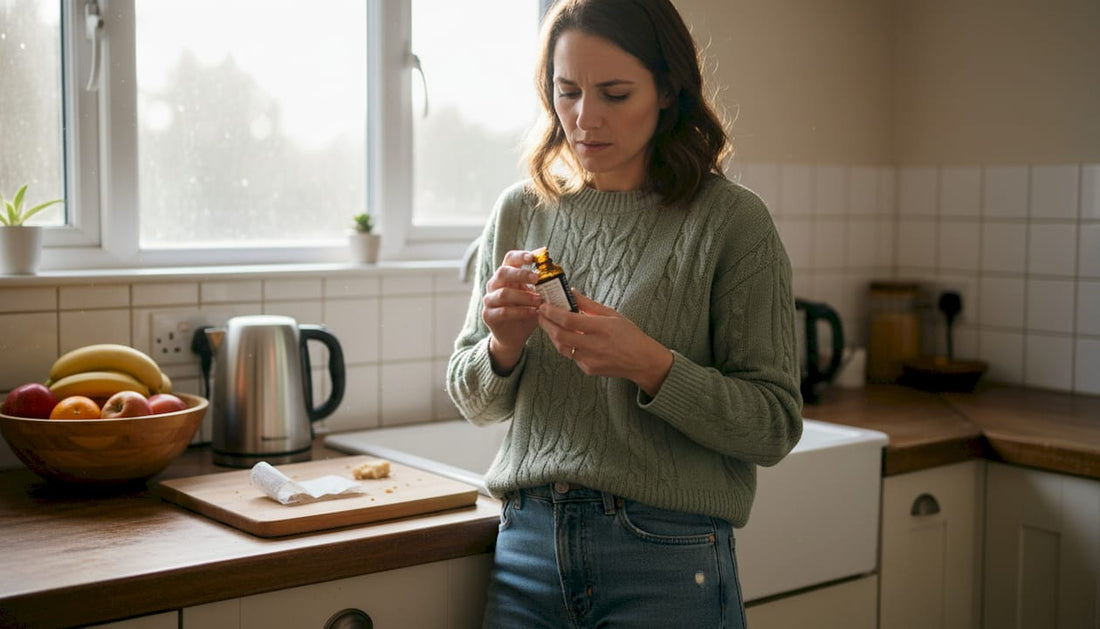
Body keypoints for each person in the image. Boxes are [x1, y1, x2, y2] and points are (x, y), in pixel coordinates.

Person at [446, 0, 803, 626]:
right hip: (527, 547)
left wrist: (653, 366)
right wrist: (500, 347)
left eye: (614, 93)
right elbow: (475, 401)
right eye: (568, 92)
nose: (585, 118)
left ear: (667, 90)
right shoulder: (520, 210)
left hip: (666, 554)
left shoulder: (731, 222)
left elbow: (773, 426)